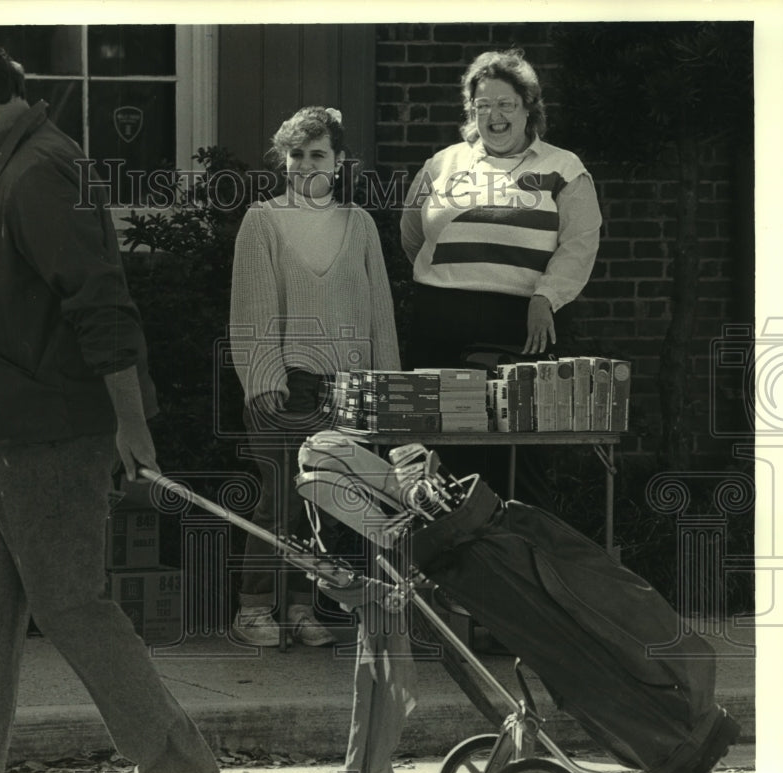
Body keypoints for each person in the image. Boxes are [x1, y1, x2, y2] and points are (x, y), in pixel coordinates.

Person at [0, 31, 219, 773]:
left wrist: (130, 425)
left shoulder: (40, 170)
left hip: (49, 440)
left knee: (73, 604)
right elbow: (26, 299)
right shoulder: (13, 164)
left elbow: (100, 305)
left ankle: (179, 761)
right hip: (9, 440)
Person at [400, 48, 602, 510]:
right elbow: (413, 236)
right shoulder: (442, 164)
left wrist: (544, 297)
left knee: (516, 459)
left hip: (520, 325)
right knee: (437, 457)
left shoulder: (564, 168)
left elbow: (580, 243)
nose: (494, 115)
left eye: (506, 104)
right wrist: (451, 276)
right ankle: (439, 573)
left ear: (529, 107)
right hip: (438, 325)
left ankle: (517, 568)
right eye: (482, 105)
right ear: (471, 111)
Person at [229, 106, 401, 647]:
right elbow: (252, 308)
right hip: (287, 384)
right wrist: (264, 382)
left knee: (323, 501)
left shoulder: (360, 224)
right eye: (296, 156)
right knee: (279, 496)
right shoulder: (263, 220)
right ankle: (254, 608)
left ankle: (303, 608)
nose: (305, 166)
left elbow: (380, 312)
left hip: (348, 390)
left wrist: (390, 389)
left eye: (317, 155)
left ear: (339, 160)